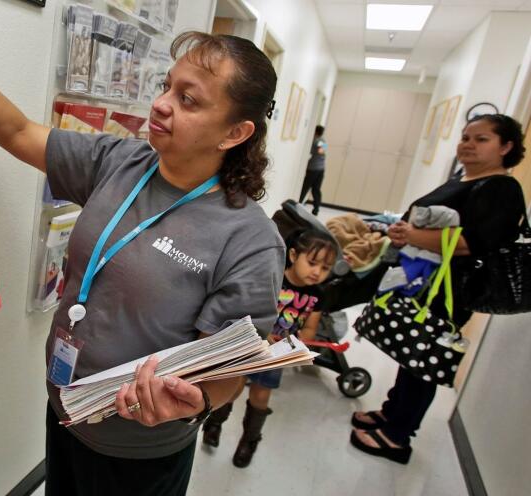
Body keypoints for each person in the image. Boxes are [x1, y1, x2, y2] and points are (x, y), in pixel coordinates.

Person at [0, 4, 283, 496]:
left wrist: (191, 403)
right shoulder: (122, 161)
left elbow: (228, 375)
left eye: (189, 100)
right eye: (168, 87)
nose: (161, 104)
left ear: (236, 132)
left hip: (141, 449)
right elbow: (19, 130)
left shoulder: (249, 241)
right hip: (68, 411)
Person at [351, 114, 526, 464]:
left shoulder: (502, 188)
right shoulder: (465, 178)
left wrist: (412, 236)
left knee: (423, 360)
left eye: (481, 139)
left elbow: (472, 242)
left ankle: (397, 437)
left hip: (451, 290)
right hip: (424, 282)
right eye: (465, 137)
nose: (468, 144)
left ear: (506, 147)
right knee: (412, 352)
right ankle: (391, 413)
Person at [202, 229, 337, 467]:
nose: (317, 272)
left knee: (261, 396)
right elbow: (249, 309)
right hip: (251, 346)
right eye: (312, 263)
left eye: (325, 268)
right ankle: (215, 423)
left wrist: (293, 345)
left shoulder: (318, 295)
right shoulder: (273, 278)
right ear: (294, 255)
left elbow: (309, 330)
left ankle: (250, 439)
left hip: (276, 355)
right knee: (232, 388)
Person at [299, 125, 327, 215]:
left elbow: (320, 151)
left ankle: (297, 205)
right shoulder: (323, 140)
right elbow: (323, 151)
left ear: (315, 132)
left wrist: (318, 150)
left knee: (305, 187)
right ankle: (316, 209)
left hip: (313, 168)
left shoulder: (318, 140)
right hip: (321, 168)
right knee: (316, 189)